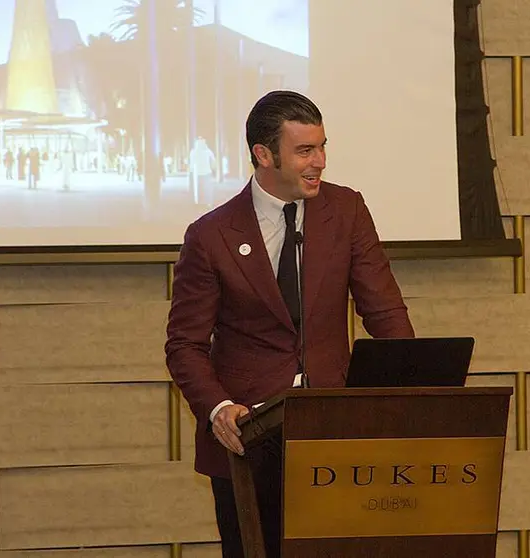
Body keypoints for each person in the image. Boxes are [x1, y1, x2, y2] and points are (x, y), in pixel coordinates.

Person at [165, 90, 414, 558]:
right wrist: (219, 409)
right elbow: (184, 345)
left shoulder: (347, 210)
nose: (319, 161)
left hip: (335, 435)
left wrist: (411, 394)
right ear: (263, 155)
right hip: (249, 440)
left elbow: (384, 313)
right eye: (305, 151)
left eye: (322, 147)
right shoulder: (211, 235)